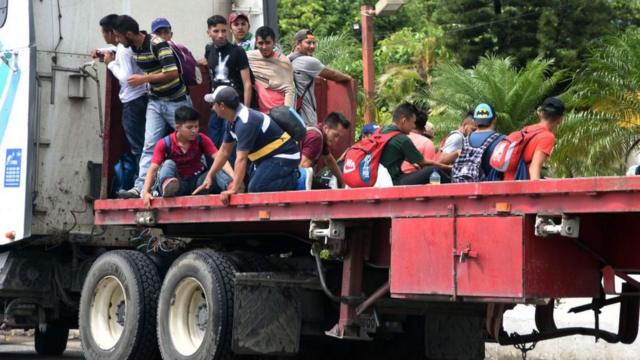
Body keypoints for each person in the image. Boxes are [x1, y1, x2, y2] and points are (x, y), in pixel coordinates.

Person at [113, 15, 192, 199]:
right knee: (149, 145)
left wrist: (144, 79)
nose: (117, 40)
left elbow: (172, 73)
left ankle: (203, 180)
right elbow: (113, 48)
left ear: (130, 34)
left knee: (191, 140)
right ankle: (141, 187)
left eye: (119, 36)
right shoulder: (132, 46)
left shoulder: (157, 44)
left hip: (176, 101)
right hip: (155, 101)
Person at [197, 86, 300, 204]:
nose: (213, 108)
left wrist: (234, 189)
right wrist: (210, 175)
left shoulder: (245, 122)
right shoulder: (232, 121)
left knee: (257, 188)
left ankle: (297, 178)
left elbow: (241, 159)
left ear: (222, 106)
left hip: (284, 156)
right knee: (253, 186)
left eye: (213, 105)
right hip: (265, 158)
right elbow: (224, 152)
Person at [141, 106, 234, 208]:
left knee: (217, 167)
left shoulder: (201, 139)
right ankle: (167, 187)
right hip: (178, 184)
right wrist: (146, 192)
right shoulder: (164, 143)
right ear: (177, 128)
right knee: (168, 164)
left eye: (196, 126)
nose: (194, 130)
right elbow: (153, 169)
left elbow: (221, 159)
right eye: (189, 127)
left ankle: (231, 186)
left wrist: (235, 179)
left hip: (199, 184)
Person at [91, 14, 147, 164]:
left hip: (133, 100)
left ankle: (142, 182)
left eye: (103, 32)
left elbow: (126, 78)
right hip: (142, 97)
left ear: (111, 33)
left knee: (137, 144)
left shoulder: (123, 49)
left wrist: (110, 63)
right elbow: (116, 48)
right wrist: (102, 51)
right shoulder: (125, 45)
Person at [204, 15, 253, 148]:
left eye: (223, 31)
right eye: (216, 31)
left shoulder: (238, 51)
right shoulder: (209, 50)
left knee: (229, 145)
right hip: (216, 104)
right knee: (212, 143)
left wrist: (246, 110)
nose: (220, 35)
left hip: (234, 105)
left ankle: (228, 170)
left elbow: (247, 83)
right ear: (208, 32)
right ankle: (213, 169)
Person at [289, 29, 352, 126]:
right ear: (298, 43)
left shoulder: (287, 59)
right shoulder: (307, 61)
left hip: (291, 115)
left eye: (314, 43)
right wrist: (348, 78)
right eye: (308, 43)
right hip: (306, 117)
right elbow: (334, 75)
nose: (312, 46)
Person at [379, 103, 450, 185]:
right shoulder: (402, 139)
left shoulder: (381, 131)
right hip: (392, 181)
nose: (413, 126)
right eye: (413, 122)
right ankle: (455, 188)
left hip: (379, 180)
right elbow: (423, 163)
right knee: (433, 170)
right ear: (404, 121)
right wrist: (449, 168)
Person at [504, 97, 565, 180]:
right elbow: (534, 167)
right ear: (560, 120)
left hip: (508, 180)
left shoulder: (526, 129)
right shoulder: (547, 137)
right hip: (521, 185)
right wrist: (536, 192)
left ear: (541, 114)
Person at [451, 103, 504, 182]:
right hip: (489, 190)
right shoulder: (502, 140)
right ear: (494, 120)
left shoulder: (465, 140)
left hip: (464, 190)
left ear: (475, 121)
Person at [247, 26, 295, 113]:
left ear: (274, 43)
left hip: (279, 111)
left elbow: (289, 90)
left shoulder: (283, 61)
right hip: (260, 112)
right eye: (260, 43)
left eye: (268, 43)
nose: (264, 47)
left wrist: (288, 114)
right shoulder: (250, 57)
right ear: (256, 43)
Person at [299, 112, 350, 188]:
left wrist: (342, 182)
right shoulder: (316, 137)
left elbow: (329, 160)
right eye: (335, 135)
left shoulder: (321, 135)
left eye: (339, 137)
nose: (336, 140)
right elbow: (303, 167)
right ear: (326, 129)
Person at [401, 110, 436, 175]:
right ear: (424, 128)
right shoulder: (426, 143)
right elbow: (429, 170)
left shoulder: (398, 138)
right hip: (412, 180)